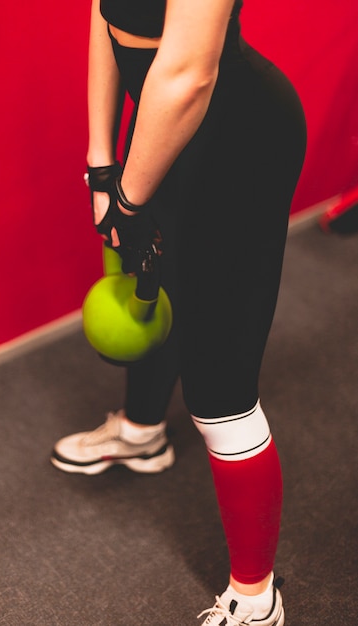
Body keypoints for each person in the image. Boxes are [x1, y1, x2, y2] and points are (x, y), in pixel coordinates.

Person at [51, 0, 307, 623]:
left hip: (233, 139)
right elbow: (107, 17)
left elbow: (189, 72)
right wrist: (101, 164)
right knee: (153, 281)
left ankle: (255, 598)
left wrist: (129, 203)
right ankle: (142, 436)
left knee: (219, 383)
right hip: (163, 130)